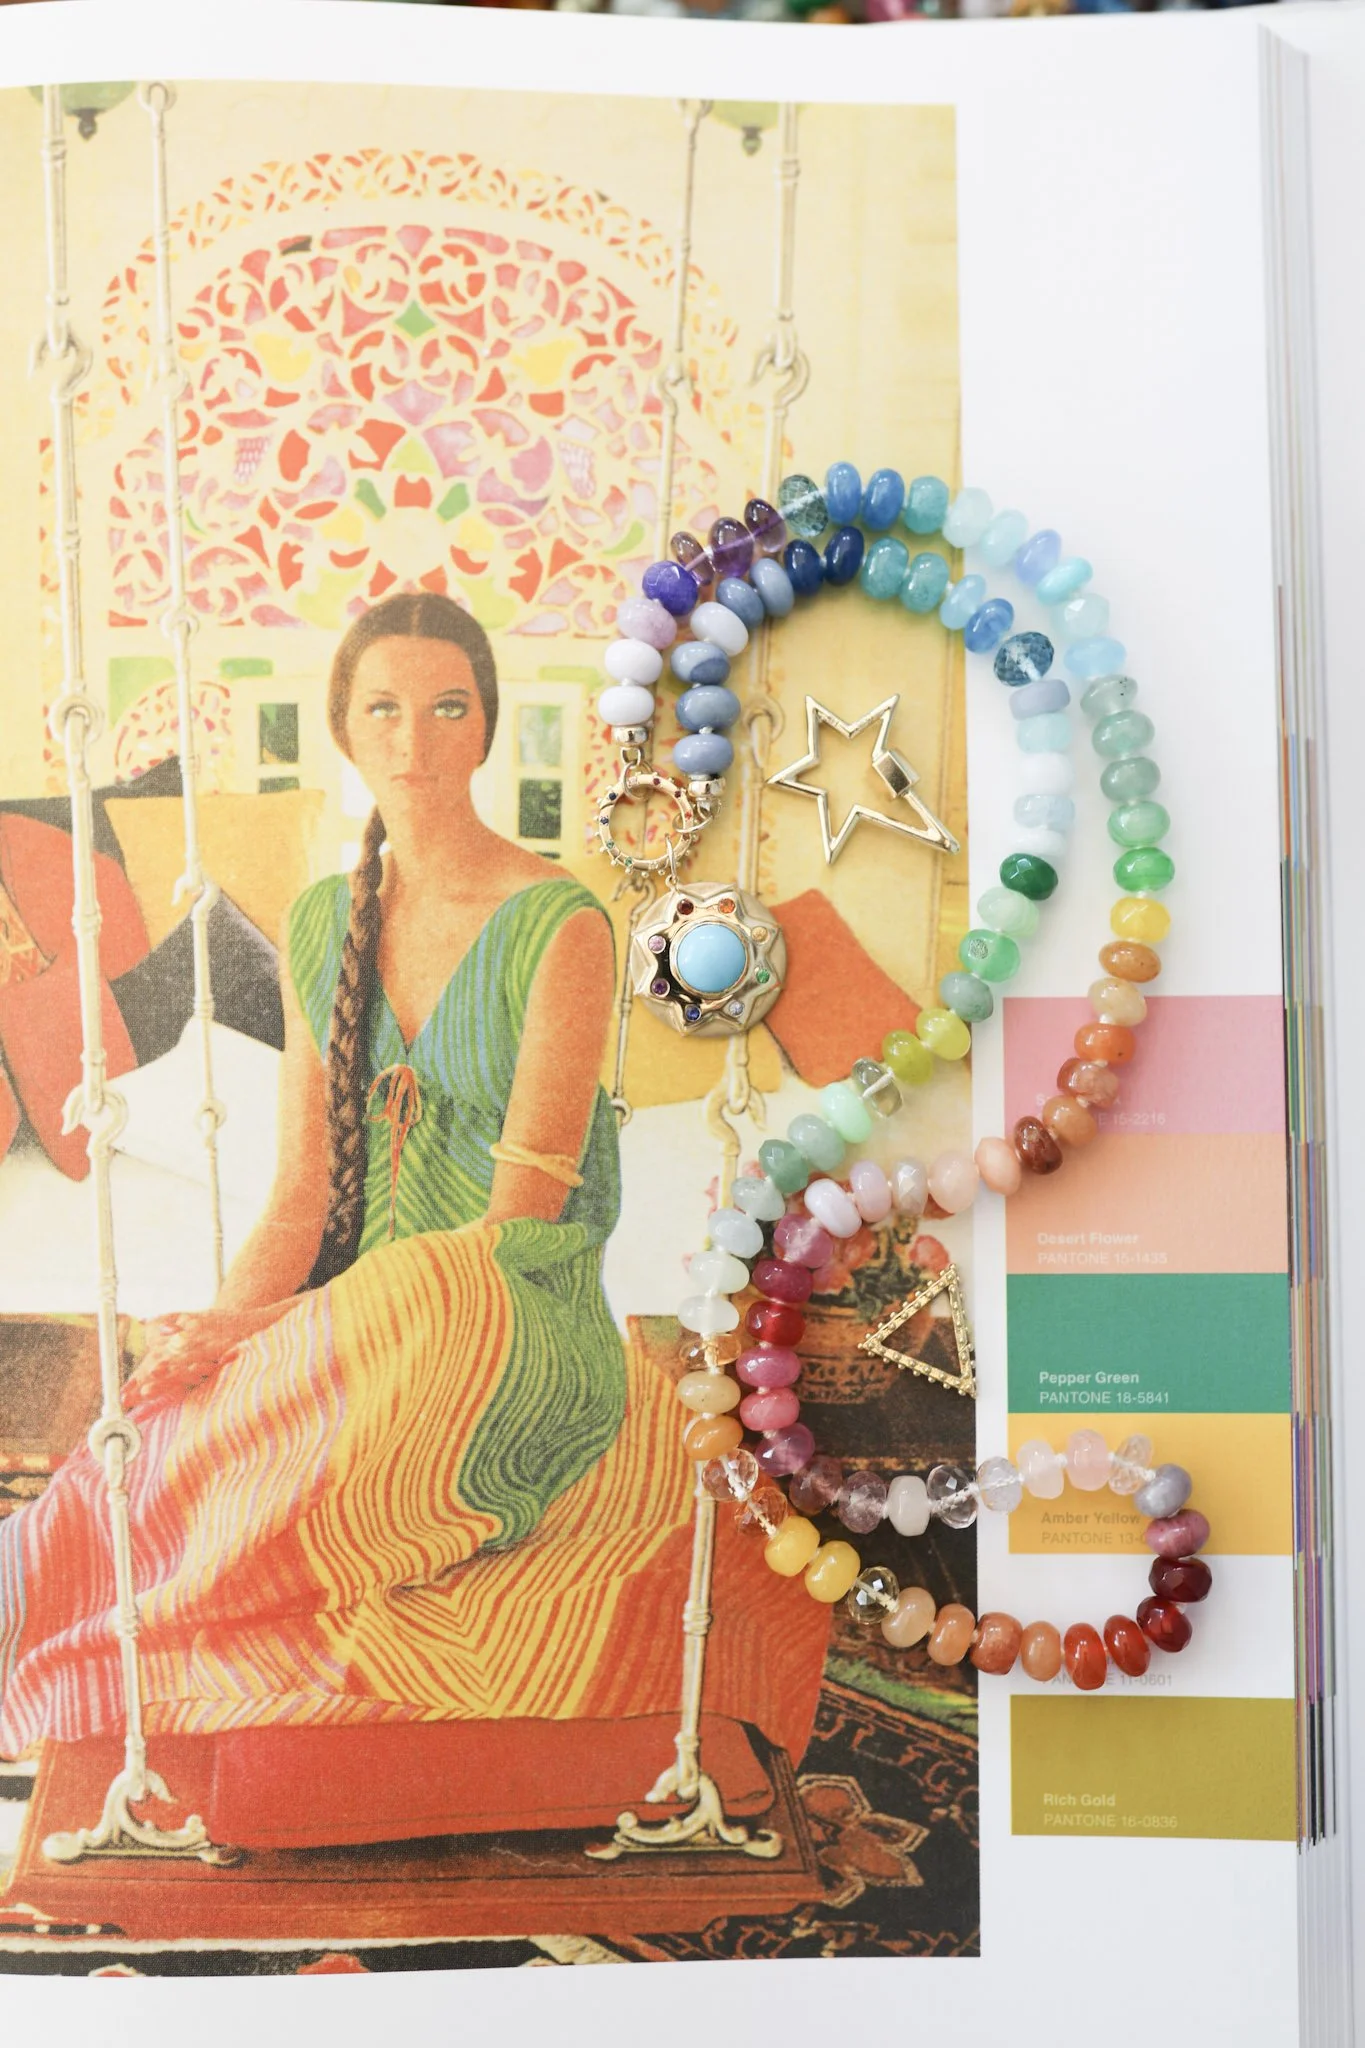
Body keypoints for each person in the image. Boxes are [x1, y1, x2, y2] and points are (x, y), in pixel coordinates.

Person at [0, 594, 694, 1748]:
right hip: (352, 1326)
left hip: (501, 1325)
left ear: (483, 729)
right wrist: (215, 1341)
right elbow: (300, 1200)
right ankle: (28, 1594)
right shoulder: (326, 919)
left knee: (407, 1302)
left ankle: (104, 1659)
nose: (415, 741)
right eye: (384, 709)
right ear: (347, 730)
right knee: (171, 1426)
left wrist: (279, 1330)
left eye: (445, 708)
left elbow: (518, 1224)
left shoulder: (563, 924)